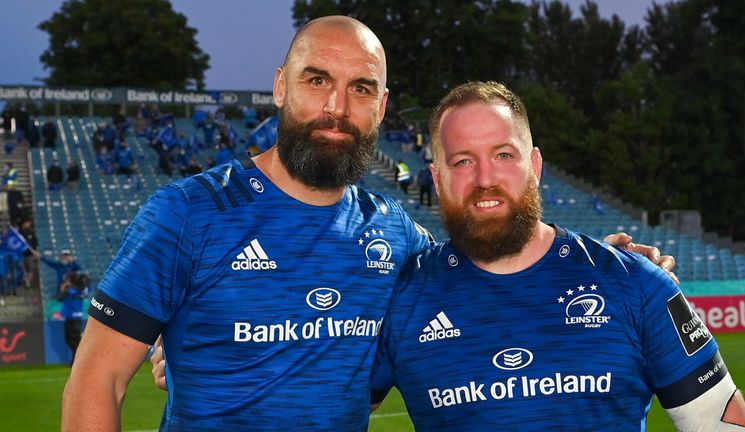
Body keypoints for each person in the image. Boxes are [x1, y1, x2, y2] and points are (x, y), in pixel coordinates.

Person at [65, 17, 672, 432]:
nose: (336, 108)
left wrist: (604, 258)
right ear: (280, 87)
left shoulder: (397, 235)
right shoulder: (186, 215)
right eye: (316, 81)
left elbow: (495, 269)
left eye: (361, 88)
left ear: (381, 107)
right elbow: (96, 384)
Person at [370, 81, 745, 431]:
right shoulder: (403, 300)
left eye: (503, 155)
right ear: (438, 179)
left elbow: (721, 422)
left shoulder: (636, 282)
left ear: (535, 167)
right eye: (463, 161)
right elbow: (325, 409)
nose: (485, 179)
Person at [57, 271, 89, 365]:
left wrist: (62, 288)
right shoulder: (81, 291)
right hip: (78, 318)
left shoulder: (70, 291)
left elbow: (59, 298)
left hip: (71, 318)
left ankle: (77, 360)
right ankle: (77, 359)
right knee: (76, 340)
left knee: (70, 340)